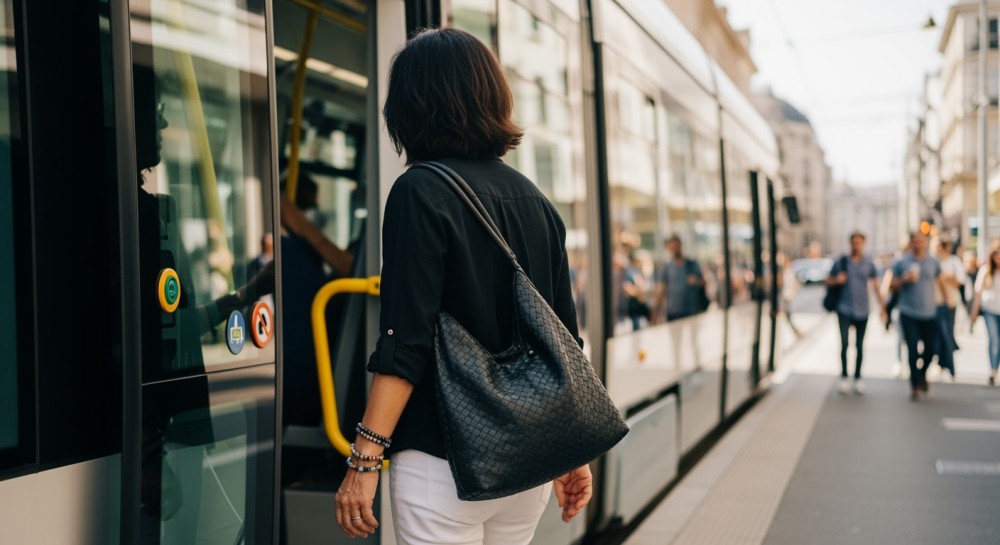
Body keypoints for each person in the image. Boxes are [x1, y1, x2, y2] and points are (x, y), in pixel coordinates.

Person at [334, 28, 592, 543]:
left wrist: (363, 461)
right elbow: (564, 341)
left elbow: (404, 342)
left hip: (441, 463)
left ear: (411, 105)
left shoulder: (419, 191)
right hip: (528, 464)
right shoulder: (536, 201)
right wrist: (572, 453)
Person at [826, 232, 883, 395]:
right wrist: (836, 280)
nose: (856, 246)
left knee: (859, 346)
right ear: (849, 244)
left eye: (859, 243)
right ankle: (844, 377)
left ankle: (858, 378)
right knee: (844, 344)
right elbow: (827, 281)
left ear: (863, 244)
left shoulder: (869, 263)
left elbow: (876, 286)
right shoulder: (841, 262)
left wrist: (883, 308)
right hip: (844, 309)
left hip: (863, 310)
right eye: (853, 243)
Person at [888, 232, 942, 400]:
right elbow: (891, 285)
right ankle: (915, 385)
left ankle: (921, 373)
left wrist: (946, 304)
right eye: (916, 242)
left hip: (929, 312)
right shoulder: (902, 262)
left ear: (926, 243)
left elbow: (939, 282)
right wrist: (904, 279)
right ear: (911, 243)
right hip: (908, 311)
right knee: (912, 349)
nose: (919, 244)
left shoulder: (933, 261)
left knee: (930, 350)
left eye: (922, 241)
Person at [651, 235, 708, 323]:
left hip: (691, 310)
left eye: (676, 246)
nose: (675, 249)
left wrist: (696, 281)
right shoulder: (667, 268)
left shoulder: (691, 265)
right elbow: (662, 289)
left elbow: (704, 282)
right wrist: (656, 311)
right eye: (672, 247)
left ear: (681, 246)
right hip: (673, 312)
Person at [970, 247, 1000, 386]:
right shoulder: (985, 271)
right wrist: (974, 314)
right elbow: (977, 294)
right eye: (996, 254)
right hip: (990, 311)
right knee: (994, 339)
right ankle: (993, 370)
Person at [933, 239, 963, 380]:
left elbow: (960, 282)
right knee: (936, 335)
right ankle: (940, 364)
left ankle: (950, 368)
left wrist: (946, 277)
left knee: (947, 334)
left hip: (949, 302)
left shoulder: (953, 262)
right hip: (932, 303)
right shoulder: (932, 261)